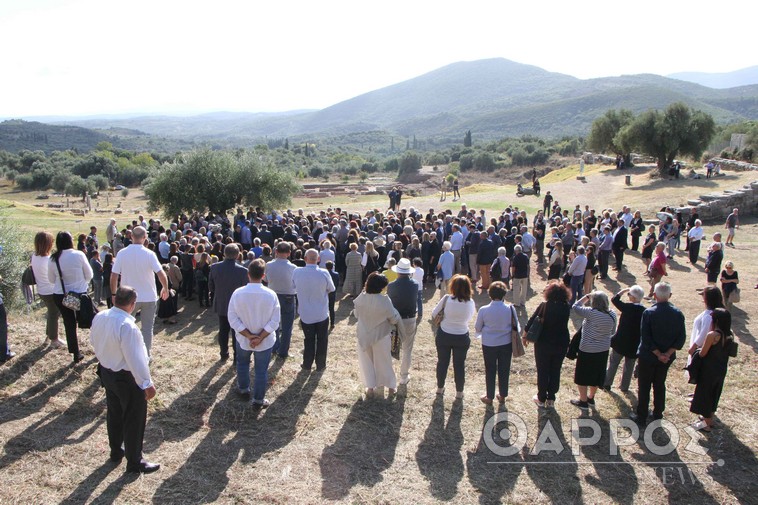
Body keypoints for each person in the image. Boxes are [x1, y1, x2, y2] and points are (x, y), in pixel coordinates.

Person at [89, 286, 159, 473]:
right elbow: (135, 359)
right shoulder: (128, 326)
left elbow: (93, 341)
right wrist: (146, 384)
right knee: (134, 418)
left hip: (106, 372)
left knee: (115, 413)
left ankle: (116, 451)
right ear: (132, 304)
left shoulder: (100, 317)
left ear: (115, 300)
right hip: (126, 377)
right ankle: (135, 461)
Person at [630, 282, 686, 425]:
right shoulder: (678, 314)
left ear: (654, 295)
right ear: (670, 295)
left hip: (648, 356)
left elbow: (646, 337)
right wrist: (666, 354)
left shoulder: (649, 313)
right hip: (666, 358)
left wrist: (658, 353)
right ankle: (658, 413)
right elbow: (681, 338)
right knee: (659, 383)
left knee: (644, 385)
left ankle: (641, 416)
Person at [227, 259, 280, 408]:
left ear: (248, 274)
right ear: (263, 276)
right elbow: (275, 321)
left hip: (244, 339)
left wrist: (249, 336)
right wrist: (260, 337)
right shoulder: (271, 294)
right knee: (261, 370)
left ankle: (243, 389)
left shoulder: (238, 293)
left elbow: (232, 318)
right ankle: (258, 400)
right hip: (264, 341)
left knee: (242, 363)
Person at [110, 226, 169, 355]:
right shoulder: (149, 254)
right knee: (147, 329)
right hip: (148, 296)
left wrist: (114, 294)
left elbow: (114, 275)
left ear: (131, 237)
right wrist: (165, 288)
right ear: (145, 237)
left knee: (126, 327)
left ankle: (127, 353)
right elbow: (161, 273)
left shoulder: (122, 253)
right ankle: (146, 354)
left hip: (128, 297)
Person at [523, 281, 571, 408]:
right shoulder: (566, 306)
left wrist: (525, 335)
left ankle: (541, 397)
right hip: (561, 342)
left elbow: (532, 320)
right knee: (556, 370)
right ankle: (551, 398)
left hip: (544, 342)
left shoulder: (545, 305)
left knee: (543, 370)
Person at [354, 273, 402, 398]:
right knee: (384, 361)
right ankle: (391, 387)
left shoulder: (360, 298)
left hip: (364, 334)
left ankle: (370, 387)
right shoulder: (384, 300)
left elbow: (356, 314)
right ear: (381, 287)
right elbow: (393, 318)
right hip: (381, 335)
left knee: (366, 362)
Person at [48, 231, 93, 364]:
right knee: (91, 319)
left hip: (61, 295)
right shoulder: (78, 255)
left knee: (69, 323)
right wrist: (81, 284)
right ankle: (101, 347)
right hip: (80, 294)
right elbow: (89, 274)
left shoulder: (53, 258)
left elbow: (51, 280)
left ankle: (75, 353)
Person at [431, 275, 476, 399]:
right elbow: (471, 317)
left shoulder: (446, 299)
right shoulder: (470, 302)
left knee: (442, 362)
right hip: (461, 336)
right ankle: (459, 392)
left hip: (444, 334)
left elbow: (434, 313)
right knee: (459, 365)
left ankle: (440, 388)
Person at [570, 291, 617, 411]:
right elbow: (612, 332)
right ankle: (591, 397)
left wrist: (586, 297)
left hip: (587, 349)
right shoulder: (612, 314)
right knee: (596, 375)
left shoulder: (591, 313)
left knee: (582, 376)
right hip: (603, 349)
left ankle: (583, 401)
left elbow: (575, 307)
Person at [475, 281, 519, 405]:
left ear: (490, 294)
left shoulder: (483, 310)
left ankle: (489, 396)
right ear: (504, 294)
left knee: (490, 369)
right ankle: (503, 395)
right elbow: (517, 327)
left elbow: (478, 327)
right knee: (504, 369)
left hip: (489, 343)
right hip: (506, 343)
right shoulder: (510, 308)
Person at [690, 308, 733, 432]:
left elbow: (703, 353)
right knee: (714, 394)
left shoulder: (713, 335)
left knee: (705, 395)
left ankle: (706, 424)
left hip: (708, 370)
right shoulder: (729, 334)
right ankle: (709, 418)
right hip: (721, 369)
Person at [292, 249, 335, 372]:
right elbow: (331, 289)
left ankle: (307, 364)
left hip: (306, 313)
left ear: (305, 259)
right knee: (322, 339)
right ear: (318, 259)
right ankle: (320, 365)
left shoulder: (297, 272)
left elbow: (293, 286)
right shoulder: (324, 273)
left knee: (309, 339)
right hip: (321, 313)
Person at [209, 244, 249, 363]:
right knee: (236, 331)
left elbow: (210, 287)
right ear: (237, 255)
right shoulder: (242, 271)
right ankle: (237, 356)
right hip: (237, 306)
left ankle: (224, 353)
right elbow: (245, 290)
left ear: (224, 254)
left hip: (222, 302)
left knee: (223, 330)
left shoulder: (215, 267)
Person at [604, 286, 646, 393]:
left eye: (629, 294)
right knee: (629, 367)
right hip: (634, 344)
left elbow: (614, 299)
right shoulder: (645, 312)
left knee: (613, 363)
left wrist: (623, 291)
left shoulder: (627, 307)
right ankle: (624, 387)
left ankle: (607, 383)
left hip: (620, 341)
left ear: (632, 297)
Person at [387, 258, 418, 386]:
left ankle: (389, 374)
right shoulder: (415, 284)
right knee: (407, 349)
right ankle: (404, 376)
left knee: (390, 348)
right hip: (409, 318)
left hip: (395, 318)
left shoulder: (392, 285)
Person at [31, 231, 63, 349]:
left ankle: (49, 334)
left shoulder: (34, 256)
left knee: (51, 313)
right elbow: (54, 277)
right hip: (51, 290)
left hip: (42, 290)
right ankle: (54, 339)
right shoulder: (49, 260)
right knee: (53, 315)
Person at [266, 242, 298, 359]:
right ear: (289, 253)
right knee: (287, 325)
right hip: (288, 296)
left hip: (273, 296)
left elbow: (265, 278)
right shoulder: (293, 268)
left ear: (276, 252)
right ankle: (283, 350)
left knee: (273, 323)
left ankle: (274, 346)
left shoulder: (269, 265)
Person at [687, 287, 724, 368]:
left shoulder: (709, 316)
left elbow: (703, 334)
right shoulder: (717, 312)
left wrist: (693, 348)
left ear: (707, 299)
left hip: (703, 351)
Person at [325, 261, 340, 328]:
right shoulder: (336, 274)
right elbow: (337, 283)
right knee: (331, 309)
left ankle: (325, 322)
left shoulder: (324, 274)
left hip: (325, 293)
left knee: (325, 308)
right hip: (333, 293)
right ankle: (332, 323)